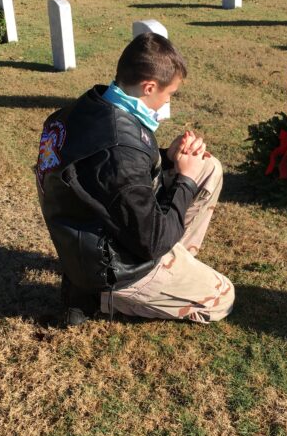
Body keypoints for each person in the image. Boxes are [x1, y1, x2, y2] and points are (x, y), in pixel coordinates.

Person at [35, 33, 234, 326]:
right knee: (223, 297)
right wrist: (185, 180)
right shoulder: (119, 150)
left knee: (207, 167)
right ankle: (101, 297)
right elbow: (150, 240)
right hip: (111, 264)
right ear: (149, 86)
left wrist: (169, 157)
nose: (167, 101)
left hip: (91, 234)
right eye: (169, 94)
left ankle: (174, 265)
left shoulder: (90, 106)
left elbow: (105, 176)